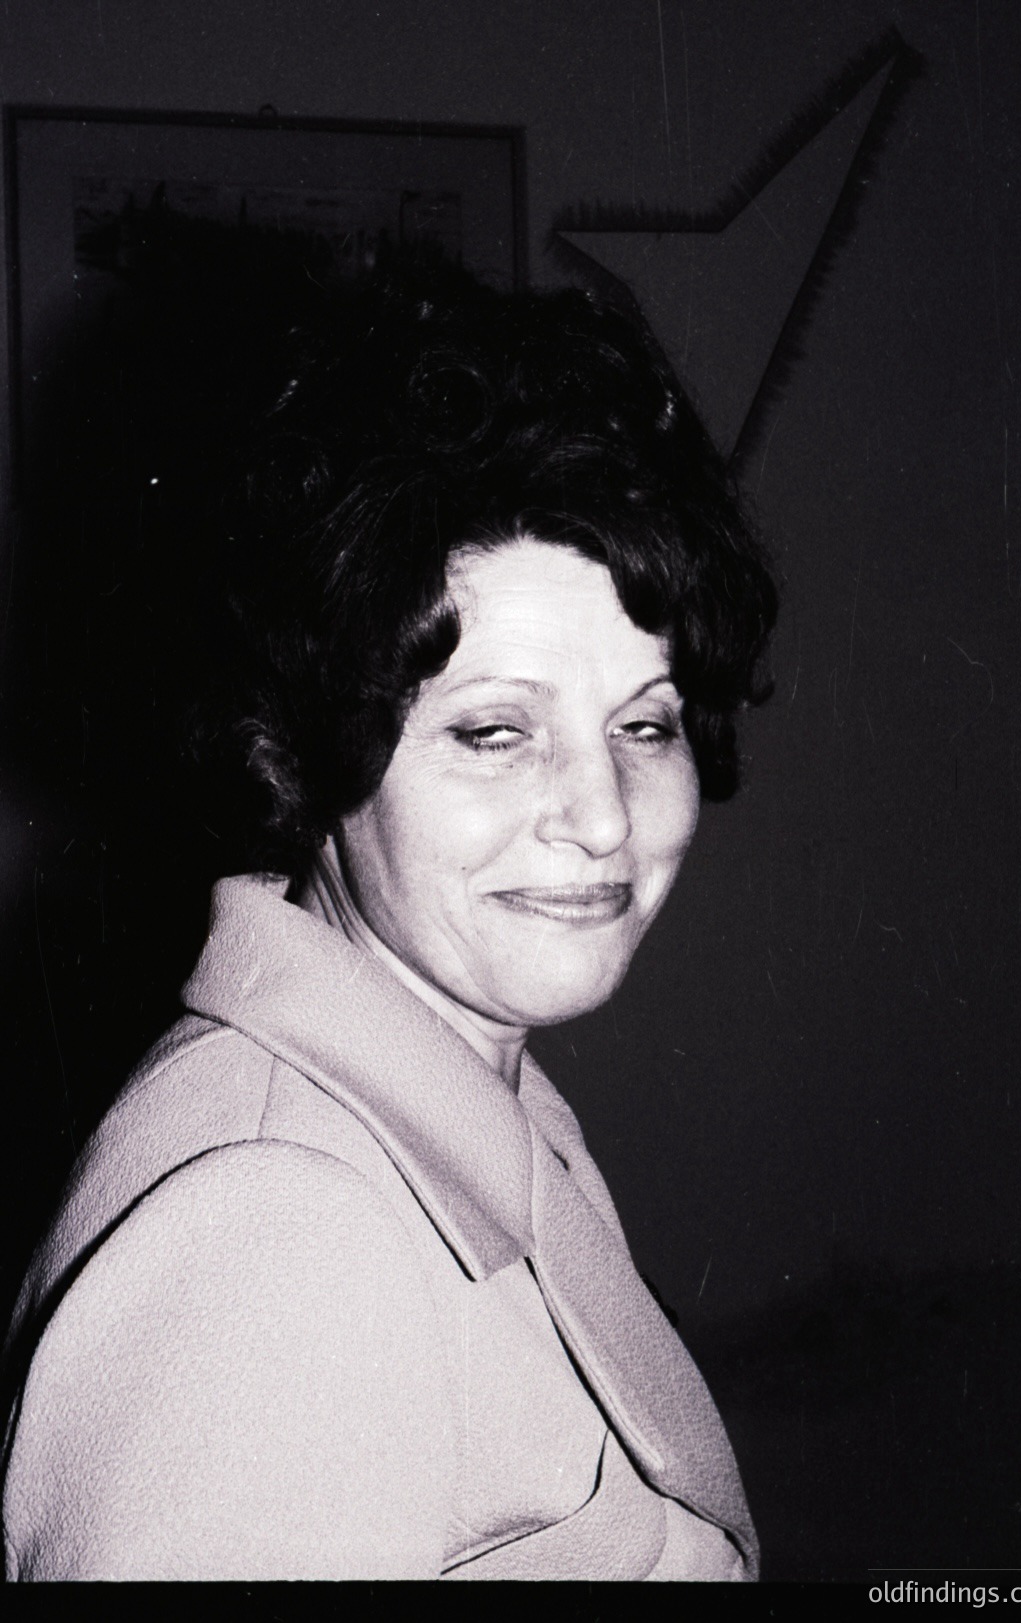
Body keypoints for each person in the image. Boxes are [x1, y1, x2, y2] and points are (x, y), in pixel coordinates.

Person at [1, 250, 777, 1580]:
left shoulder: (462, 1091)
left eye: (644, 725)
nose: (603, 817)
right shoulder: (273, 1246)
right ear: (309, 755)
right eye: (494, 732)